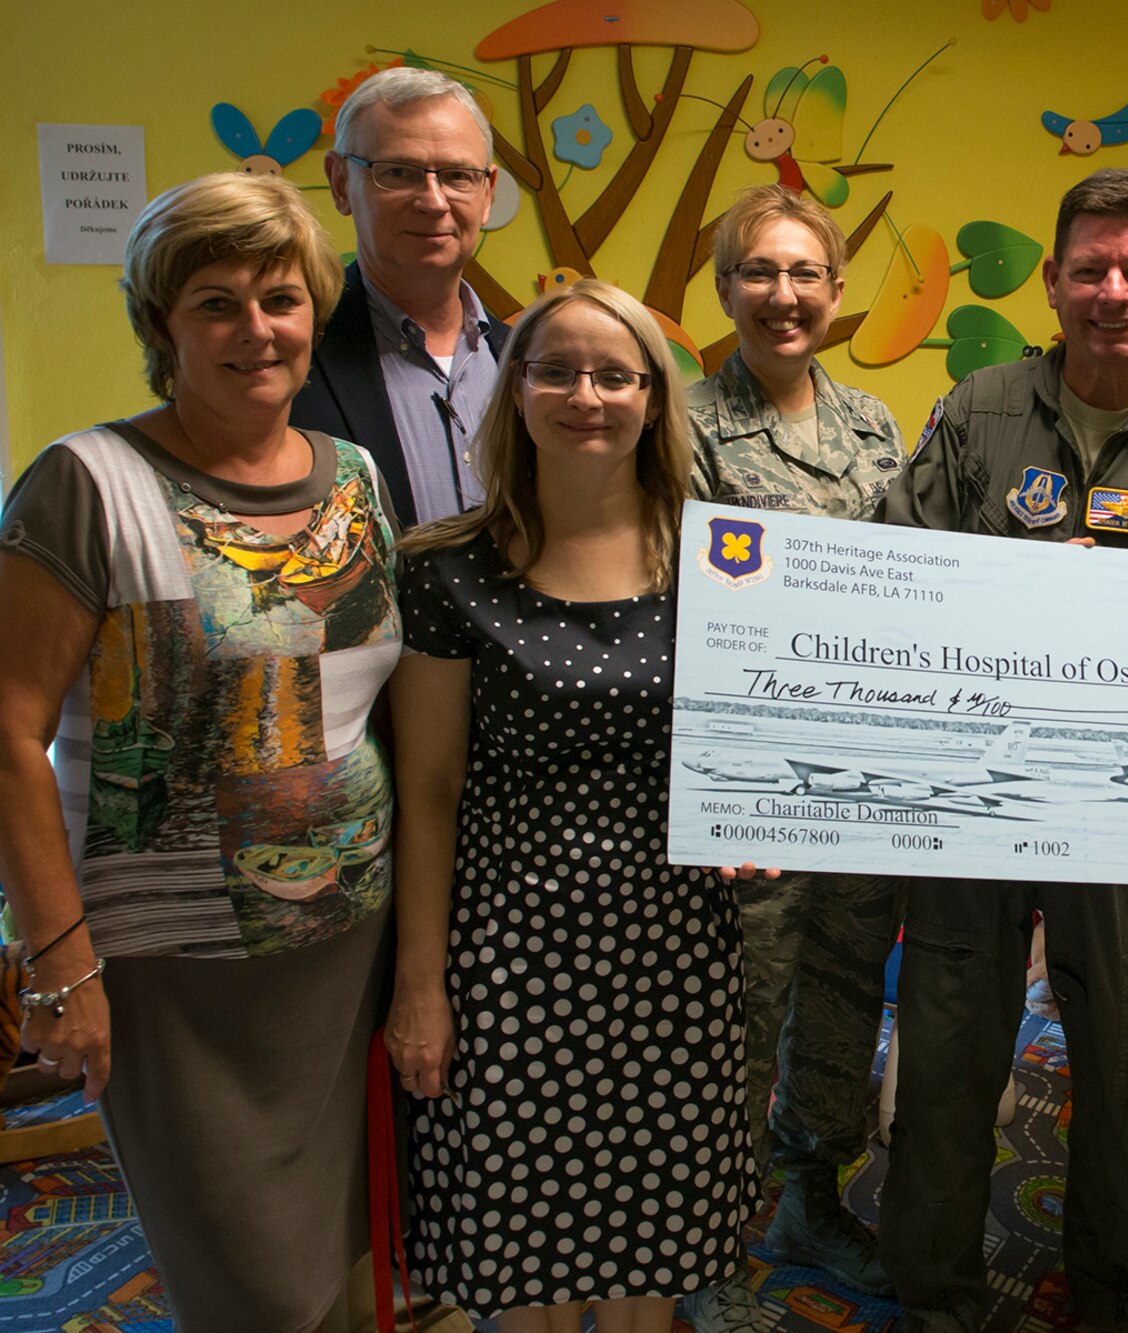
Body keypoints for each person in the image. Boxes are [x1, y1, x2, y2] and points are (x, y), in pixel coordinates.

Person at [879, 166, 1128, 1333]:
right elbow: (905, 579)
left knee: (1124, 1068)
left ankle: (1112, 1294)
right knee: (952, 1058)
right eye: (1090, 270)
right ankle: (937, 1299)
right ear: (1051, 282)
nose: (1114, 292)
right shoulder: (977, 409)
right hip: (977, 800)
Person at [0, 171, 394, 1331]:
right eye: (214, 302)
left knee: (343, 1257)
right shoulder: (85, 484)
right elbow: (10, 733)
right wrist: (60, 965)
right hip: (171, 963)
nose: (255, 329)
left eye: (280, 297)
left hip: (342, 947)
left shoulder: (355, 479)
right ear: (159, 323)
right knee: (248, 1283)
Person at [387, 278, 755, 1331]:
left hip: (674, 949)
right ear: (516, 389)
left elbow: (768, 738)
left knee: (650, 1245)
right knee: (524, 1259)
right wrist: (420, 988)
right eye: (555, 369)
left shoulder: (729, 561)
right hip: (510, 957)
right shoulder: (448, 569)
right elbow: (429, 789)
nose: (584, 394)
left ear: (652, 397)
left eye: (613, 373)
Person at [680, 184, 907, 1328]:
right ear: (725, 290)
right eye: (758, 273)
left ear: (833, 288)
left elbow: (919, 580)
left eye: (804, 273)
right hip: (754, 781)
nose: (783, 295)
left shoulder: (874, 426)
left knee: (840, 997)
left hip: (862, 781)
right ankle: (706, 1242)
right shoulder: (681, 428)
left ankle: (808, 1201)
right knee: (730, 1012)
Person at [291, 66, 507, 527]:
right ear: (340, 182)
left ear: (487, 193)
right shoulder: (287, 358)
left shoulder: (528, 360)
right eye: (398, 172)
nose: (433, 201)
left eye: (456, 176)